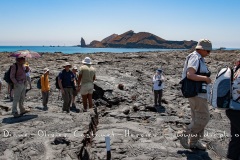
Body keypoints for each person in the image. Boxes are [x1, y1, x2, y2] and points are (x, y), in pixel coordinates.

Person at [179, 39, 212, 150]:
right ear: (202, 49)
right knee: (204, 118)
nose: (209, 54)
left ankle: (194, 142)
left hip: (197, 93)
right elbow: (190, 75)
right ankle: (185, 133)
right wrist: (206, 79)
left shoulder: (198, 57)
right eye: (208, 51)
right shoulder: (195, 57)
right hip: (196, 93)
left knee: (197, 118)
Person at [225, 60, 240, 160]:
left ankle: (232, 156)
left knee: (236, 136)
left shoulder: (236, 69)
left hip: (232, 107)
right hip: (238, 108)